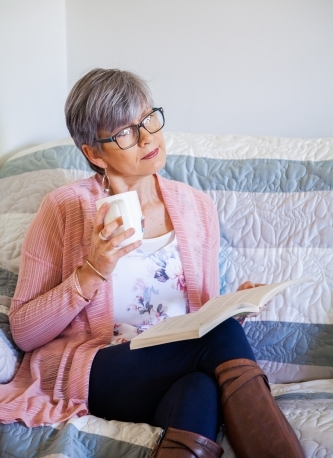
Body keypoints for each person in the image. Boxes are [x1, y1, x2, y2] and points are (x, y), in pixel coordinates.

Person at [0, 69, 304, 458]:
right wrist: (92, 271)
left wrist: (233, 310)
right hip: (95, 369)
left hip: (170, 370)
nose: (147, 137)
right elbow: (25, 333)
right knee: (219, 338)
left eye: (147, 119)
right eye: (125, 132)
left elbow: (200, 318)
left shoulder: (197, 208)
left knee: (201, 389)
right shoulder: (64, 208)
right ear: (94, 153)